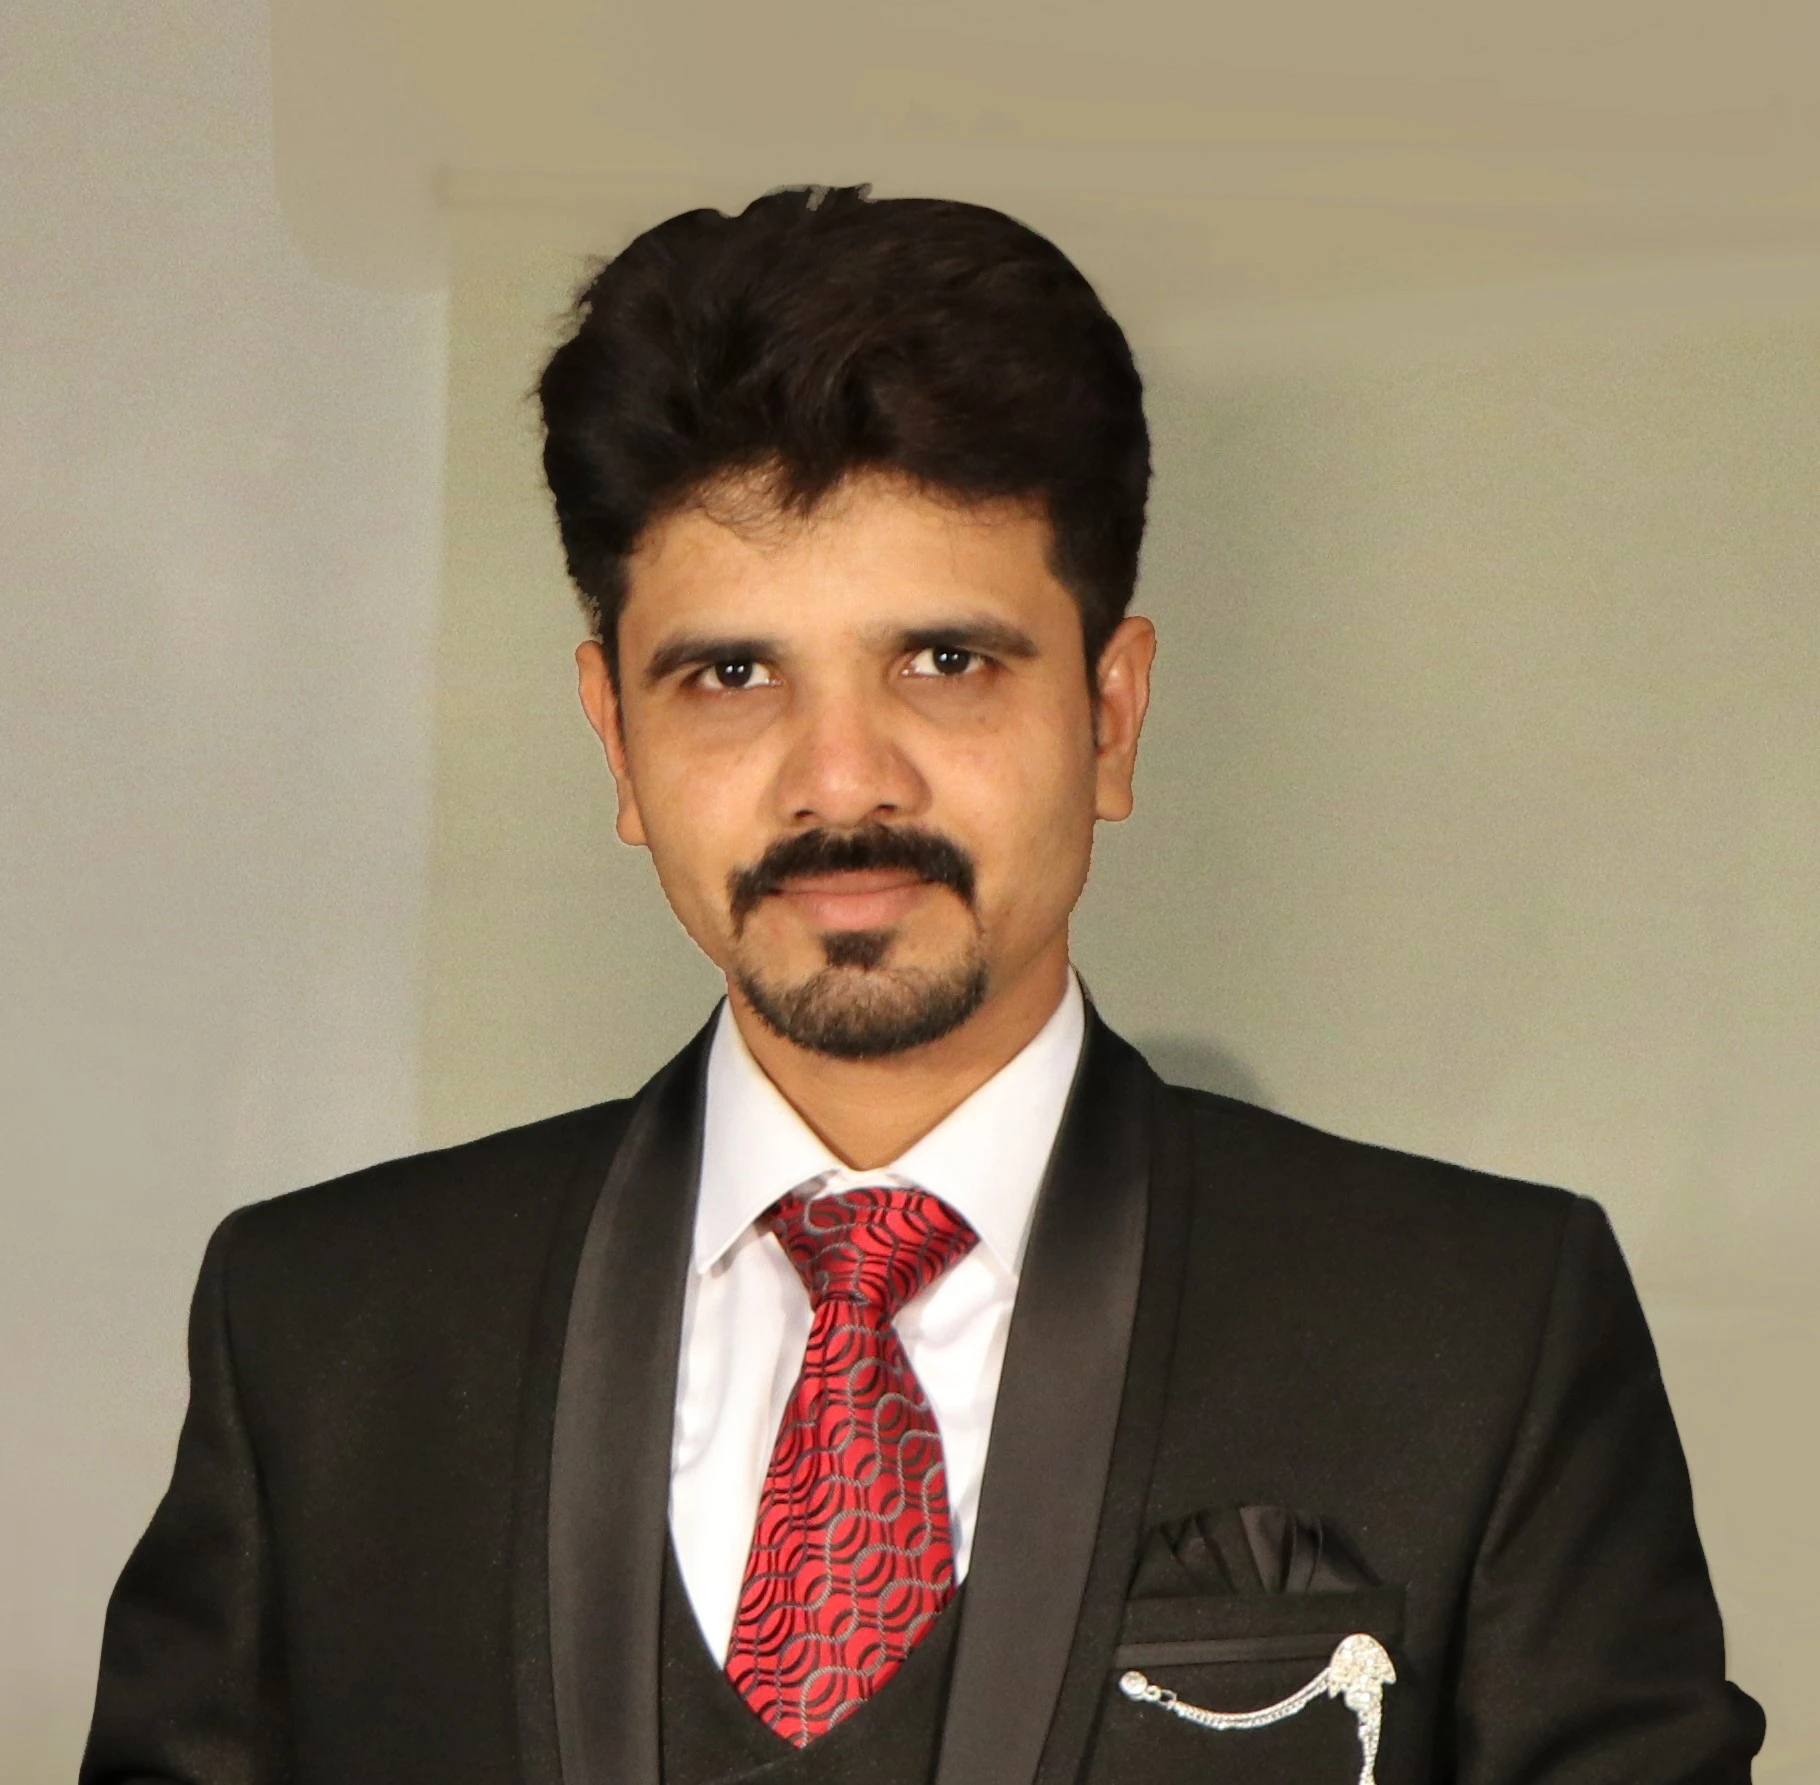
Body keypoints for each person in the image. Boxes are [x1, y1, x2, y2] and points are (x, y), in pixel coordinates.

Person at [82, 184, 1764, 1785]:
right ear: (616, 739)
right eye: (731, 675)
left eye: (945, 661)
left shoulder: (1475, 1331)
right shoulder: (327, 1336)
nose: (842, 780)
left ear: (1110, 715)